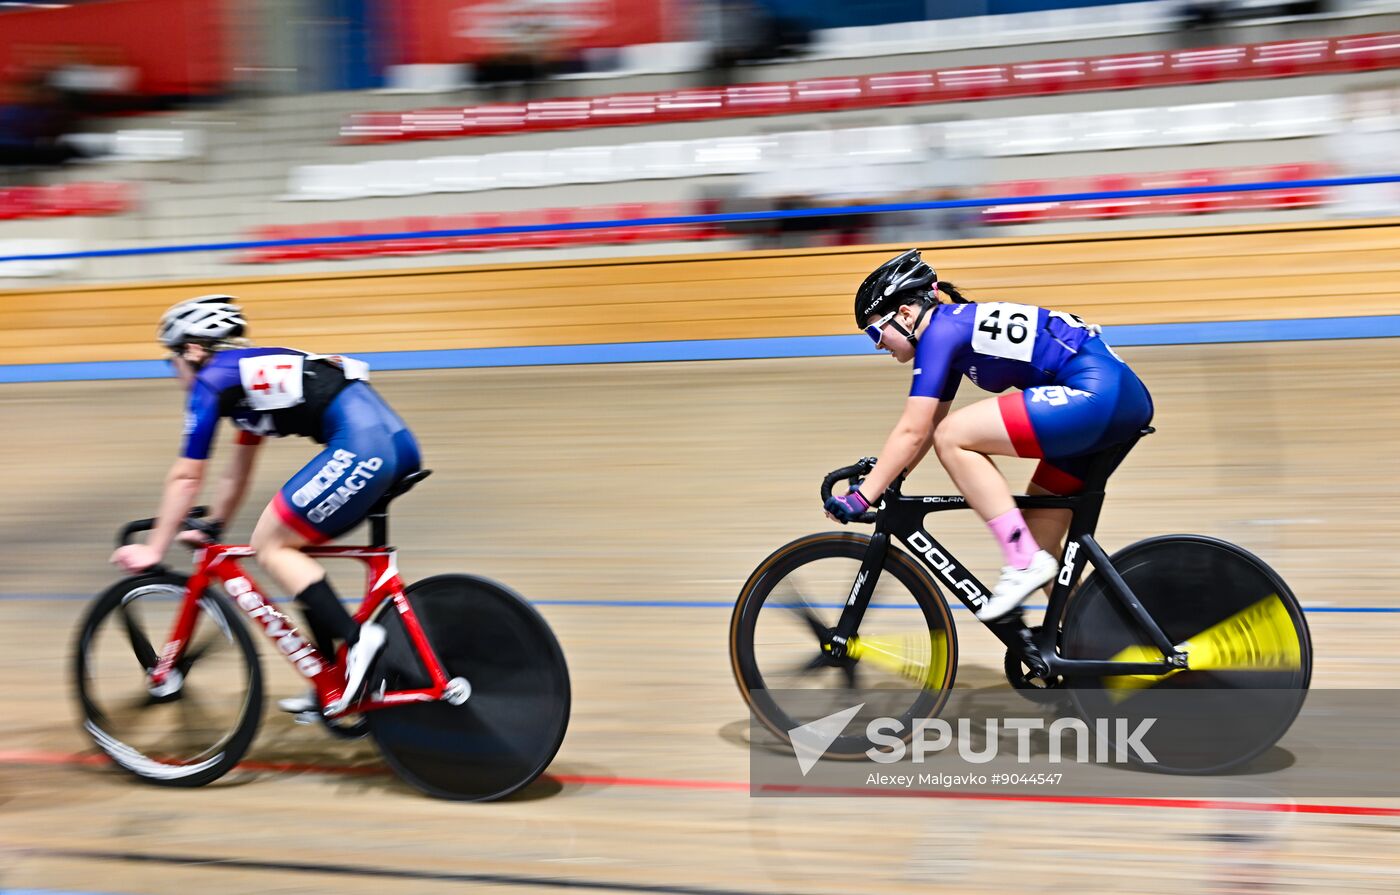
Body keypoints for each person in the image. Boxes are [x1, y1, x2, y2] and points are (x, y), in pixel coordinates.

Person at [109, 295, 423, 715]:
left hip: (364, 443)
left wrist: (154, 549)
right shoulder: (247, 377)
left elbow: (187, 476)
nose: (173, 370)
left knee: (270, 545)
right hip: (393, 441)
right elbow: (237, 472)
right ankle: (331, 679)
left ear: (194, 350)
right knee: (293, 551)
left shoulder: (212, 380)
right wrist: (215, 524)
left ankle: (361, 640)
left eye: (172, 359)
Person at [823, 249, 1153, 621]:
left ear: (905, 314)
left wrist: (863, 497)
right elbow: (925, 427)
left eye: (874, 331)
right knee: (1040, 537)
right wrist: (890, 477)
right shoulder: (949, 333)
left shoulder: (940, 333)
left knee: (956, 435)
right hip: (1110, 398)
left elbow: (917, 430)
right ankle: (1095, 641)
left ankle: (1022, 561)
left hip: (1096, 395)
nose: (877, 343)